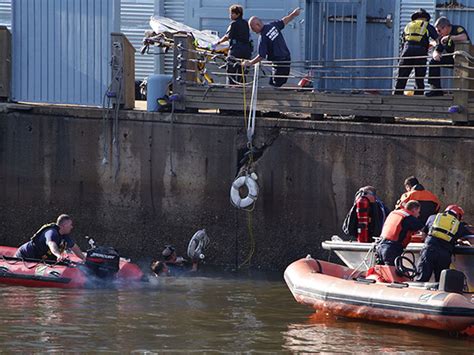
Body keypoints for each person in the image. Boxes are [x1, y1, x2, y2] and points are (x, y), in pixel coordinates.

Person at [242, 7, 302, 87]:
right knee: (272, 82)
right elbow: (284, 21)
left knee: (278, 85)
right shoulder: (272, 26)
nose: (253, 31)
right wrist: (293, 14)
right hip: (286, 58)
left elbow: (261, 56)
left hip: (279, 62)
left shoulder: (263, 37)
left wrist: (249, 63)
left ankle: (299, 88)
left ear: (258, 25)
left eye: (252, 28)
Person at [416, 204, 472, 282]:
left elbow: (424, 234)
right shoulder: (459, 225)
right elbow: (468, 235)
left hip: (429, 250)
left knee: (421, 278)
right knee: (441, 282)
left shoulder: (433, 217)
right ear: (458, 216)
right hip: (444, 254)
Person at [394, 9, 438, 96]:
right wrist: (435, 48)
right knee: (419, 77)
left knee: (402, 76)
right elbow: (437, 39)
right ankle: (418, 96)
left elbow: (403, 41)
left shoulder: (408, 26)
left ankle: (397, 95)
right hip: (420, 51)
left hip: (407, 50)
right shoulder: (427, 25)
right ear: (425, 18)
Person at [425, 17, 471, 97]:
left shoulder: (457, 29)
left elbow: (464, 37)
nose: (439, 33)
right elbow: (438, 49)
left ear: (446, 27)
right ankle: (436, 90)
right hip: (452, 58)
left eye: (439, 30)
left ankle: (462, 93)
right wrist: (435, 53)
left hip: (465, 58)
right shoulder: (442, 36)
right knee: (433, 62)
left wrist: (450, 37)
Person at [15, 214, 85, 262]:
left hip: (39, 258)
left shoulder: (65, 236)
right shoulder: (51, 232)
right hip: (25, 255)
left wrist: (84, 259)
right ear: (64, 225)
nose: (72, 227)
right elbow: (51, 244)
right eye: (70, 225)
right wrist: (58, 255)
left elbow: (74, 248)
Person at [213, 5, 252, 85]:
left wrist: (217, 43)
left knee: (231, 69)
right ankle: (241, 86)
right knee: (242, 70)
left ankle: (232, 86)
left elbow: (227, 36)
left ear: (238, 14)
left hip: (236, 50)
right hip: (246, 50)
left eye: (232, 13)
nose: (230, 16)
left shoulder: (234, 24)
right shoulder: (245, 23)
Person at [376, 200, 424, 266]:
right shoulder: (409, 218)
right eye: (418, 212)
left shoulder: (393, 213)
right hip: (392, 249)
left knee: (382, 273)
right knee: (394, 274)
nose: (418, 215)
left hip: (379, 246)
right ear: (414, 209)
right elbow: (424, 230)